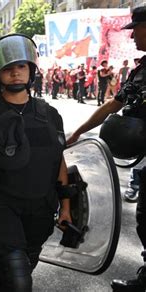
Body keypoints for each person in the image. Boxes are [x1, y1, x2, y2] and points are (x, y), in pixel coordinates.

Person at [0, 34, 71, 291]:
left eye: (21, 67)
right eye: (8, 69)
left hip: (41, 208)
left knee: (19, 273)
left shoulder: (50, 115)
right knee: (18, 276)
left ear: (31, 69)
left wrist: (66, 205)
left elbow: (59, 161)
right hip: (1, 206)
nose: (16, 74)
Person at [66, 7, 146, 291]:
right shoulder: (142, 69)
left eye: (136, 28)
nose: (133, 36)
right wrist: (78, 131)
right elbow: (114, 104)